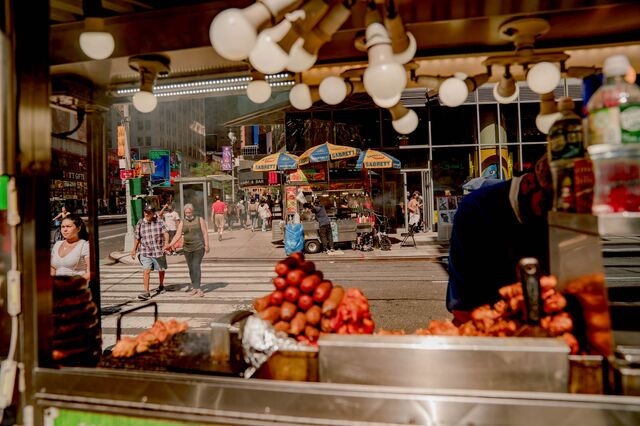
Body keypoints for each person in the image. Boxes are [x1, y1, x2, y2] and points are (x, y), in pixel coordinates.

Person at [446, 155, 552, 323]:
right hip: (484, 317)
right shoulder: (477, 208)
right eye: (546, 205)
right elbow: (463, 291)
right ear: (529, 183)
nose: (550, 217)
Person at [166, 204, 209, 297]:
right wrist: (170, 245)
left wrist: (207, 245)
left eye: (189, 212)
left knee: (195, 266)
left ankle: (199, 289)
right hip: (187, 249)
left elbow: (205, 232)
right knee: (191, 268)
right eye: (186, 213)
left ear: (192, 212)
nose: (188, 214)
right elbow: (177, 235)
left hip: (199, 247)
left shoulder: (199, 219)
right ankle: (194, 287)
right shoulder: (183, 222)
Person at [131, 204, 170, 301]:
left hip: (158, 250)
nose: (147, 214)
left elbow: (166, 232)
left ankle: (161, 285)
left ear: (153, 213)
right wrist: (134, 250)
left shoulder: (159, 221)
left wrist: (166, 243)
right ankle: (146, 292)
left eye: (149, 213)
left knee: (161, 269)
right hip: (145, 251)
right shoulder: (140, 223)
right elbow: (137, 237)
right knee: (146, 270)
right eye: (145, 212)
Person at [50, 214, 90, 282]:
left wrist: (73, 284)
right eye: (62, 227)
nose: (65, 230)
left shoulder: (84, 245)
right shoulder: (57, 244)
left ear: (78, 228)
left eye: (68, 226)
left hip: (76, 289)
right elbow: (52, 267)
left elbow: (91, 272)